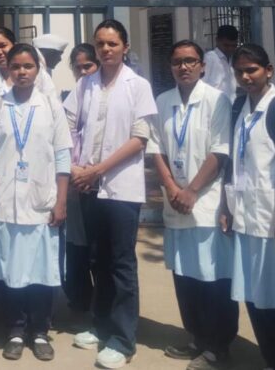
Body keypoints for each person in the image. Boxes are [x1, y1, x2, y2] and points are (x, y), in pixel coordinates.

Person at [65, 19, 155, 369]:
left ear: (125, 47)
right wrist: (76, 167)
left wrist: (98, 170)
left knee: (120, 263)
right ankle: (101, 325)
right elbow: (67, 124)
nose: (105, 49)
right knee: (96, 259)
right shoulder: (85, 83)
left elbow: (139, 138)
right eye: (100, 43)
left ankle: (122, 339)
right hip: (88, 185)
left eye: (112, 43)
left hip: (120, 188)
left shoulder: (138, 85)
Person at [0, 44, 71, 362]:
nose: (21, 72)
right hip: (5, 199)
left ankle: (40, 330)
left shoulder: (51, 105)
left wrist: (61, 200)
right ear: (8, 69)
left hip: (41, 199)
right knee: (9, 269)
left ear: (37, 69)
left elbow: (63, 155)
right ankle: (15, 329)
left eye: (28, 66)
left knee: (41, 270)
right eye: (16, 66)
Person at [149, 40, 237, 370]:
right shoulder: (163, 101)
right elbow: (156, 149)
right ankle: (197, 338)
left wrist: (192, 190)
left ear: (202, 66)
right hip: (175, 202)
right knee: (184, 277)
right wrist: (173, 188)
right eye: (177, 61)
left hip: (205, 203)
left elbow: (220, 151)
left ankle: (218, 345)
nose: (183, 67)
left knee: (212, 278)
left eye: (190, 61)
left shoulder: (217, 100)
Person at [221, 44, 275, 370]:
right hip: (244, 219)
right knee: (253, 295)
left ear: (269, 70)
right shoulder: (239, 107)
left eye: (252, 70)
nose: (245, 77)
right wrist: (226, 206)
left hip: (273, 221)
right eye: (239, 71)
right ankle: (271, 359)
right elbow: (233, 163)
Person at [61, 42, 98, 314]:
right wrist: (74, 171)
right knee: (75, 245)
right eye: (78, 67)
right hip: (74, 181)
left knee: (98, 247)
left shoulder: (106, 93)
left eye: (89, 66)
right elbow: (63, 137)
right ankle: (79, 299)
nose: (84, 72)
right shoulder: (71, 97)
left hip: (99, 181)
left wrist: (90, 172)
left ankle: (101, 305)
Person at [202, 26, 239, 102]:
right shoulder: (209, 58)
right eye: (226, 45)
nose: (230, 49)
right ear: (217, 41)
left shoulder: (233, 59)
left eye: (233, 46)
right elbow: (202, 85)